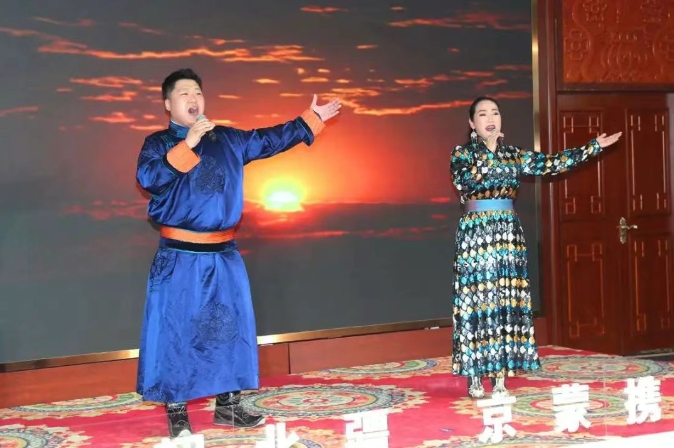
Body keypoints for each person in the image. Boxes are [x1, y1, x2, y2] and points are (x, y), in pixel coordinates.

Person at [135, 68, 341, 438]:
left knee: (228, 328)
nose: (193, 99)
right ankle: (177, 410)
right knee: (176, 331)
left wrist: (309, 120)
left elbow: (269, 139)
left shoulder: (228, 139)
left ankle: (228, 407)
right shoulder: (157, 143)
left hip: (224, 254)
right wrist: (188, 145)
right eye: (184, 93)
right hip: (179, 258)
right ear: (168, 104)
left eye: (197, 92)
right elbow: (148, 179)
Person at [450, 96, 621, 398]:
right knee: (478, 301)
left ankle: (500, 377)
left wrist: (593, 146)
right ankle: (475, 375)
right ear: (472, 123)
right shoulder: (461, 154)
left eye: (495, 113)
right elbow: (466, 184)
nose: (491, 118)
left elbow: (552, 163)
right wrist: (489, 149)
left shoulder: (514, 155)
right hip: (476, 235)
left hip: (508, 235)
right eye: (483, 114)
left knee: (505, 301)